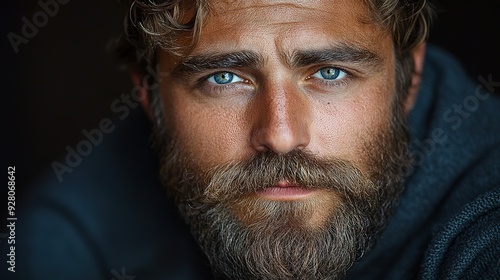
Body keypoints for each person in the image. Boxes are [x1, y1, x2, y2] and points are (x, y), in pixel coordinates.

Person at [3, 0, 499, 279]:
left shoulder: (485, 216)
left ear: (408, 73)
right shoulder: (63, 241)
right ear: (149, 93)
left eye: (329, 71)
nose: (281, 136)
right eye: (223, 78)